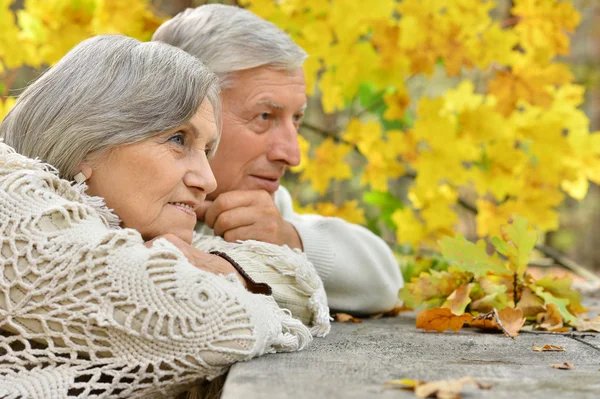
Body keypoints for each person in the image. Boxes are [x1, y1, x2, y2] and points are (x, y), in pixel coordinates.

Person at [0, 35, 328, 398]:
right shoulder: (13, 205)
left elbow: (301, 286)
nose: (207, 179)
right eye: (177, 140)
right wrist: (237, 285)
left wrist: (223, 270)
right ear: (85, 143)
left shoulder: (130, 233)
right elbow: (211, 322)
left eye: (206, 149)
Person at [152, 4, 403, 314]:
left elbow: (386, 285)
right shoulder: (99, 200)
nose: (292, 155)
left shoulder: (259, 208)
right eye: (265, 116)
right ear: (182, 111)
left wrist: (290, 238)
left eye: (296, 118)